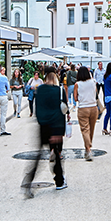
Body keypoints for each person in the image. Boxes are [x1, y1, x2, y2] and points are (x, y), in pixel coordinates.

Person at [23, 67, 69, 195]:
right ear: (55, 75)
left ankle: (29, 180)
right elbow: (62, 111)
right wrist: (59, 131)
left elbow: (37, 109)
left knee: (38, 156)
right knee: (57, 156)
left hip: (43, 126)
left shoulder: (40, 90)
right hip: (55, 127)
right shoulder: (59, 91)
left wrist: (42, 122)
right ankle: (59, 181)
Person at [74, 66, 99, 160]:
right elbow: (95, 93)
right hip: (93, 107)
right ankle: (88, 147)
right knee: (91, 129)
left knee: (85, 129)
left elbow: (75, 98)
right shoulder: (93, 82)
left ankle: (88, 150)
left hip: (83, 108)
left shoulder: (77, 84)